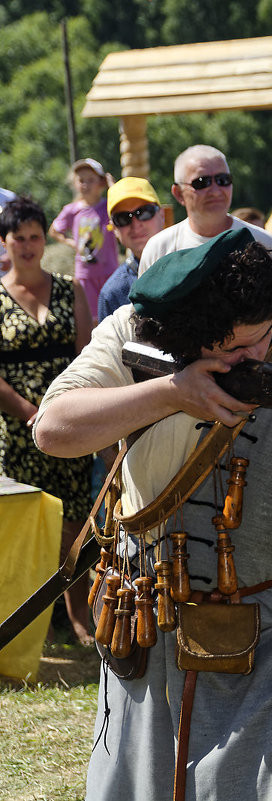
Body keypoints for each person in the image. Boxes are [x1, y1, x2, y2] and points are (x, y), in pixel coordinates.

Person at [33, 227, 272, 798]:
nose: (255, 358)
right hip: (152, 616)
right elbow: (53, 430)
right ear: (186, 337)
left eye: (261, 339)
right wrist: (172, 392)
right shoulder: (133, 335)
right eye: (235, 349)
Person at [0, 196, 93, 645]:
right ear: (6, 242)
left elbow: (86, 356)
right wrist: (26, 410)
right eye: (20, 238)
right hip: (17, 431)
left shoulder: (69, 288)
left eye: (36, 236)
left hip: (69, 424)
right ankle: (31, 623)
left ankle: (79, 616)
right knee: (28, 526)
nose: (29, 245)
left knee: (74, 521)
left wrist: (67, 409)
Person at [141, 145, 272, 323]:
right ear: (178, 193)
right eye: (202, 182)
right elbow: (146, 324)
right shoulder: (159, 249)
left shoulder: (264, 243)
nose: (216, 190)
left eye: (223, 180)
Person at [50, 158, 119, 319]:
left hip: (109, 271)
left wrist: (112, 185)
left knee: (114, 316)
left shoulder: (108, 206)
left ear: (101, 182)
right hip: (85, 274)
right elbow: (54, 230)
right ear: (75, 183)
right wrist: (70, 242)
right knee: (91, 318)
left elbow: (120, 202)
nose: (85, 185)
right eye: (81, 180)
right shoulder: (71, 210)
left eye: (91, 180)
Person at [96, 177, 166, 322]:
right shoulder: (112, 293)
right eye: (123, 218)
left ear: (162, 215)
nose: (135, 224)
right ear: (114, 229)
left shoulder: (196, 265)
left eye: (144, 212)